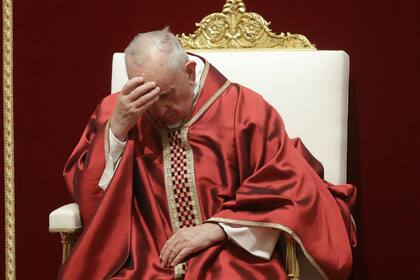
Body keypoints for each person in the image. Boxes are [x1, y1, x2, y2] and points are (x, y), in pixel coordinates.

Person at [59, 28, 356, 279]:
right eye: (146, 96)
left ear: (188, 72)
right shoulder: (120, 112)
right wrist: (117, 132)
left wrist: (217, 228)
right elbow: (87, 193)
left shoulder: (243, 110)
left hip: (227, 251)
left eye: (165, 95)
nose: (159, 110)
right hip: (145, 252)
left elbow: (283, 183)